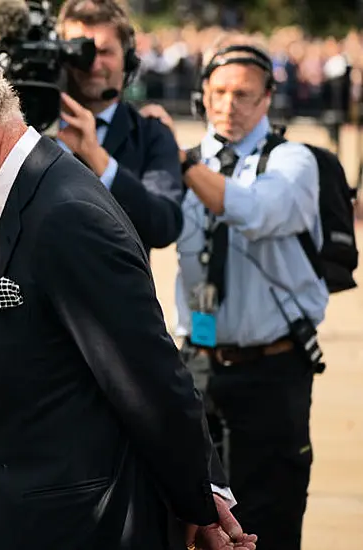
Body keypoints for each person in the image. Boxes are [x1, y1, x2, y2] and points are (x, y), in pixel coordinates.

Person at [0, 36, 256, 550]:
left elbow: (147, 376)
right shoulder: (8, 198)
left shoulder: (64, 214)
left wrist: (198, 501)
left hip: (80, 527)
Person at [141, 39, 328, 550]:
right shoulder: (184, 162)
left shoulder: (293, 162)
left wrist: (176, 162)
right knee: (194, 518)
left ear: (268, 98)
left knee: (269, 518)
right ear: (202, 93)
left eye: (244, 94)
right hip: (196, 365)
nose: (228, 105)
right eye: (219, 92)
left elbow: (253, 210)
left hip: (271, 370)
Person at [55, 0, 184, 256]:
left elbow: (164, 225)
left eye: (104, 52)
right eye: (81, 51)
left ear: (128, 60)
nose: (93, 64)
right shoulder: (26, 127)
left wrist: (99, 159)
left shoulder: (151, 134)